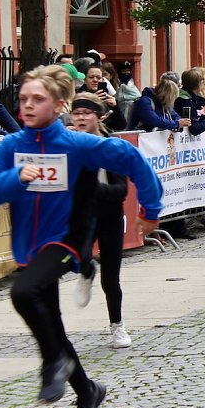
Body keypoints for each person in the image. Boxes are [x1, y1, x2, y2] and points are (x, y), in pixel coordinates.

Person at [0, 65, 163, 408]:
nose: (27, 106)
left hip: (66, 241)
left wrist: (149, 212)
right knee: (52, 327)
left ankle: (52, 362)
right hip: (29, 247)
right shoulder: (12, 147)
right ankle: (88, 392)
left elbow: (132, 159)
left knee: (22, 292)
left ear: (59, 106)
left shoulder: (78, 145)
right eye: (23, 99)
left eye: (37, 99)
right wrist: (16, 178)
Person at [69, 93, 133, 348]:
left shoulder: (110, 147)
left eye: (87, 113)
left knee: (111, 276)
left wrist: (92, 190)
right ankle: (86, 272)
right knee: (79, 257)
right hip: (81, 214)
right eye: (77, 114)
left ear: (99, 116)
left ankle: (117, 326)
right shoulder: (67, 145)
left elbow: (122, 190)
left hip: (109, 213)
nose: (81, 118)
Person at [174, 67, 205, 136]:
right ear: (199, 84)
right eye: (203, 82)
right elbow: (195, 129)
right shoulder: (186, 100)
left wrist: (204, 110)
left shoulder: (189, 97)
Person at [77, 64, 127, 131]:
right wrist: (92, 101)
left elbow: (121, 126)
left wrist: (115, 107)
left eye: (98, 77)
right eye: (91, 77)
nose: (95, 80)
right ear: (85, 80)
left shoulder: (107, 96)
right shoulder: (78, 97)